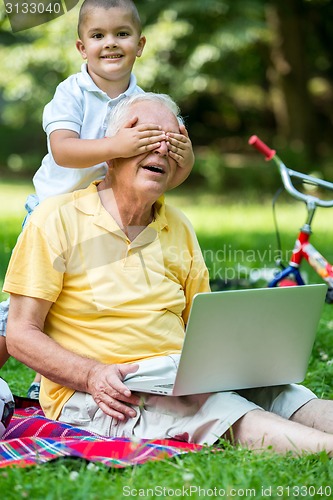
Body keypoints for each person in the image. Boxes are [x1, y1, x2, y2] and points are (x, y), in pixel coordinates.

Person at [3, 92, 333, 455]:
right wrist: (91, 374)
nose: (160, 149)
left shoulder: (178, 226)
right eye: (146, 137)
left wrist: (241, 364)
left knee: (286, 395)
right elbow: (20, 333)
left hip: (177, 376)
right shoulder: (54, 220)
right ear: (113, 149)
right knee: (220, 410)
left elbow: (202, 325)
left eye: (172, 141)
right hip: (107, 390)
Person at [0, 0, 194, 397]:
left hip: (107, 212)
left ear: (139, 45)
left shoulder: (143, 102)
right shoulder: (70, 93)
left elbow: (172, 169)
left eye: (121, 34)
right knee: (21, 313)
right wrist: (117, 144)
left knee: (79, 301)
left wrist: (183, 156)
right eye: (98, 35)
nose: (110, 43)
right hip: (54, 212)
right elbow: (63, 150)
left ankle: (46, 380)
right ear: (80, 47)